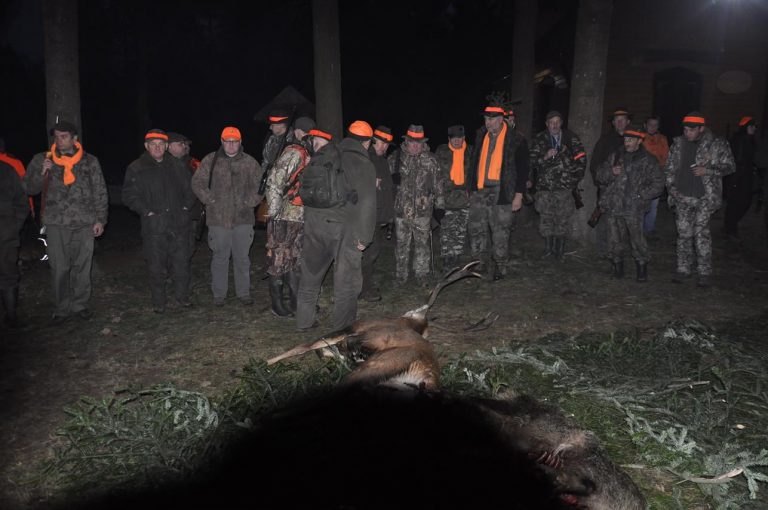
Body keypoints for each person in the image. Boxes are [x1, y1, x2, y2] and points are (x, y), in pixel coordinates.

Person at [24, 120, 108, 323]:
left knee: (82, 266)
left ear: (74, 138)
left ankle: (80, 305)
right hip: (56, 222)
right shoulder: (42, 159)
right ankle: (61, 308)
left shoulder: (89, 161)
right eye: (56, 136)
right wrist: (41, 172)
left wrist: (100, 219)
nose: (59, 140)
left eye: (64, 136)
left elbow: (100, 191)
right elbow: (28, 188)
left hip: (84, 222)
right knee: (59, 267)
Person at [296, 122, 376, 331]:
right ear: (367, 143)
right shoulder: (361, 162)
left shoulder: (327, 153)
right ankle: (342, 328)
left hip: (313, 222)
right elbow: (367, 203)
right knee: (346, 281)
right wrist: (364, 238)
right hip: (342, 227)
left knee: (311, 275)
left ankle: (304, 321)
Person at [122, 129, 197, 313]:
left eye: (160, 145)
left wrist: (186, 208)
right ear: (147, 146)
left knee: (181, 264)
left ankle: (182, 297)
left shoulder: (177, 165)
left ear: (166, 146)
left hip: (179, 224)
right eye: (153, 144)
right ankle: (159, 302)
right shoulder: (137, 167)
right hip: (154, 227)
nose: (157, 148)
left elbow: (190, 189)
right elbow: (128, 195)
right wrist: (146, 211)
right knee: (156, 266)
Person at [192, 126, 263, 305]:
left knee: (242, 258)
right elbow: (197, 182)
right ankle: (219, 295)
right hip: (217, 219)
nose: (231, 145)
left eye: (235, 142)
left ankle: (243, 293)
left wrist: (250, 202)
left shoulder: (249, 162)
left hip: (243, 219)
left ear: (240, 142)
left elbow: (261, 186)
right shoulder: (210, 160)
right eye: (228, 141)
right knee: (220, 258)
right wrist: (210, 200)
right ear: (222, 142)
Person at [666, 113, 735, 287]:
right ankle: (683, 269)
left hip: (704, 197)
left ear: (701, 129)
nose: (687, 132)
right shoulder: (678, 144)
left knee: (701, 235)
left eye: (691, 129)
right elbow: (670, 168)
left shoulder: (716, 143)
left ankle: (704, 272)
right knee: (683, 234)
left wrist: (708, 171)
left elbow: (730, 166)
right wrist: (672, 190)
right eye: (685, 129)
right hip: (682, 197)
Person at [466, 105, 528, 281]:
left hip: (502, 191)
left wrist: (519, 194)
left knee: (500, 230)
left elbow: (523, 169)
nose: (488, 123)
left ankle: (500, 265)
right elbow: (474, 161)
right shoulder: (481, 136)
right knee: (476, 227)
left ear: (501, 119)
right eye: (486, 119)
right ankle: (477, 263)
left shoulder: (516, 139)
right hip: (480, 190)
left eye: (491, 119)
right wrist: (471, 187)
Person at [596, 125, 664, 281]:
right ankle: (617, 268)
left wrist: (641, 195)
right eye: (626, 138)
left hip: (634, 208)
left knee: (637, 239)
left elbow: (658, 183)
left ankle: (641, 270)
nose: (627, 142)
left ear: (639, 141)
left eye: (631, 139)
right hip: (615, 206)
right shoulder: (615, 156)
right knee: (614, 240)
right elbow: (600, 175)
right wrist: (611, 172)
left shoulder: (648, 160)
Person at [265, 116, 315, 317]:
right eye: (304, 132)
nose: (307, 136)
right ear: (297, 133)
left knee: (295, 260)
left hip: (299, 216)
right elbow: (275, 180)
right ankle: (276, 303)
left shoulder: (308, 154)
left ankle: (295, 301)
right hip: (284, 216)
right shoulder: (294, 152)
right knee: (278, 259)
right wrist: (275, 212)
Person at [389, 125, 444, 286]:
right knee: (401, 245)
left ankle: (422, 275)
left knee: (422, 244)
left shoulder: (431, 160)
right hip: (401, 211)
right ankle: (400, 276)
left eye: (418, 142)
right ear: (406, 141)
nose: (415, 145)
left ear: (423, 143)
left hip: (423, 211)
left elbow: (439, 184)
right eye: (412, 142)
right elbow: (385, 184)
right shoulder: (395, 158)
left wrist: (440, 207)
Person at [529, 111, 587, 260]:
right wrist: (545, 156)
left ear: (561, 123)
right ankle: (548, 249)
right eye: (551, 122)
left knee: (563, 218)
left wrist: (573, 180)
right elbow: (531, 162)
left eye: (557, 122)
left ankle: (559, 250)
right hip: (545, 188)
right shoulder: (539, 139)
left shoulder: (571, 138)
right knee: (546, 218)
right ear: (547, 124)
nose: (554, 125)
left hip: (564, 188)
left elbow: (581, 159)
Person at [589, 108, 632, 254]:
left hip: (628, 189)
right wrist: (603, 180)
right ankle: (602, 249)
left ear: (628, 121)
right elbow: (595, 164)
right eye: (617, 120)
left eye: (623, 119)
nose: (620, 122)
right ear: (613, 123)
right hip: (608, 187)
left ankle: (620, 250)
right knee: (604, 217)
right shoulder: (605, 141)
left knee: (625, 219)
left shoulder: (635, 140)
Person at [360, 125, 395, 301]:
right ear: (373, 141)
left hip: (379, 215)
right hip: (368, 216)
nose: (383, 147)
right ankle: (364, 289)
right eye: (380, 143)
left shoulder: (382, 160)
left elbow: (385, 188)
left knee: (372, 253)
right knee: (368, 253)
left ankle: (363, 286)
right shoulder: (366, 158)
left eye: (387, 144)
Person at [434, 125, 472, 270]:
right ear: (449, 138)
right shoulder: (441, 151)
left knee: (460, 230)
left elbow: (475, 173)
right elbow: (435, 174)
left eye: (460, 138)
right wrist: (437, 200)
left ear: (464, 138)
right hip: (446, 198)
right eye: (454, 138)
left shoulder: (470, 151)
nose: (457, 141)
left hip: (464, 198)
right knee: (447, 230)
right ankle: (447, 258)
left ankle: (456, 258)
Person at [0, 159, 28, 327]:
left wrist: (12, 227)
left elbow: (21, 202)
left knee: (8, 275)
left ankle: (11, 316)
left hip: (5, 236)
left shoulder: (6, 171)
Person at [167, 132, 204, 250]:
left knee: (188, 246)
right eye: (182, 144)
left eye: (187, 144)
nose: (186, 147)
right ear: (169, 146)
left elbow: (203, 183)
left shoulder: (193, 163)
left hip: (191, 212)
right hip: (170, 215)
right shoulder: (162, 164)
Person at [723, 116, 757, 239]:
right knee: (735, 203)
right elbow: (737, 160)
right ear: (746, 127)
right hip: (737, 177)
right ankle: (730, 228)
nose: (754, 129)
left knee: (746, 202)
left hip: (746, 176)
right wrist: (734, 181)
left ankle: (731, 225)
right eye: (751, 126)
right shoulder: (739, 140)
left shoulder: (750, 140)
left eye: (754, 126)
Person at [641, 116, 669, 236]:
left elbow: (666, 157)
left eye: (655, 125)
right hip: (642, 175)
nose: (653, 127)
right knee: (640, 203)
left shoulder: (662, 139)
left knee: (653, 204)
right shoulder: (639, 138)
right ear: (645, 125)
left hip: (657, 176)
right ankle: (638, 230)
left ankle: (649, 229)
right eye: (650, 124)